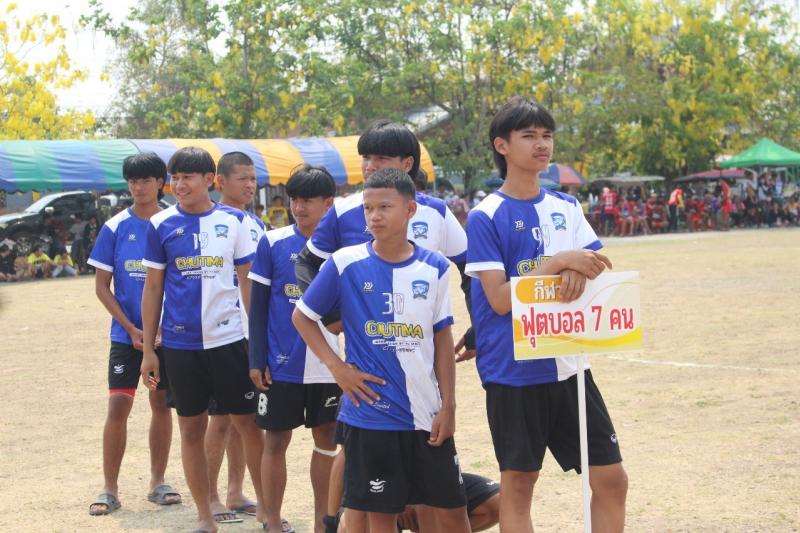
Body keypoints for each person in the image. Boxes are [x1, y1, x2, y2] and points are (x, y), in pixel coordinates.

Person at [293, 120, 473, 533]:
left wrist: (449, 405)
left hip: (426, 410)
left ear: (410, 209)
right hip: (370, 412)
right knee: (374, 514)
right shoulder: (346, 259)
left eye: (384, 208)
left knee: (449, 511)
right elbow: (303, 309)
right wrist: (338, 366)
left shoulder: (434, 263)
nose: (374, 216)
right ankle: (328, 523)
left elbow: (443, 336)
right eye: (368, 209)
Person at [466, 96, 626, 532]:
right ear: (502, 145)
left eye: (547, 135)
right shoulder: (485, 215)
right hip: (514, 371)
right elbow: (499, 299)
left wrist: (577, 267)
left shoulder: (567, 208)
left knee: (611, 479)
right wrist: (558, 262)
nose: (542, 144)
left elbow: (596, 264)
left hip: (570, 364)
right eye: (529, 136)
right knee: (519, 487)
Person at [139, 146, 265, 532]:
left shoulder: (236, 221)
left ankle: (268, 510)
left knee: (248, 425)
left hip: (230, 342)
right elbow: (153, 288)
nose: (179, 185)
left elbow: (247, 283)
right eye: (174, 178)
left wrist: (259, 342)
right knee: (191, 429)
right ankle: (204, 516)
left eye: (187, 177)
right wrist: (149, 351)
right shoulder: (160, 224)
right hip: (181, 347)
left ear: (209, 180)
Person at [86, 152, 180, 516]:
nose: (137, 187)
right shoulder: (115, 228)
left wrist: (160, 329)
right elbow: (101, 287)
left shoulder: (175, 223)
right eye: (132, 181)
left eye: (145, 180)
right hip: (127, 337)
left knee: (161, 404)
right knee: (118, 406)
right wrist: (131, 328)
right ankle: (109, 488)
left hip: (167, 338)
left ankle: (158, 482)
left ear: (160, 183)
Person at [249, 165, 340, 533]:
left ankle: (322, 522)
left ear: (328, 203)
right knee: (275, 440)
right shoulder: (272, 242)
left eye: (307, 200)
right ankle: (272, 521)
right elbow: (257, 307)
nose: (298, 207)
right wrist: (257, 358)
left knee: (328, 441)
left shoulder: (346, 249)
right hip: (281, 364)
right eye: (294, 200)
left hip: (331, 366)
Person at [203, 151, 267, 524]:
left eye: (253, 178)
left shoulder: (255, 222)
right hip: (220, 334)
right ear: (220, 181)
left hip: (249, 332)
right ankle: (210, 497)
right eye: (242, 178)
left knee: (246, 416)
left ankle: (235, 491)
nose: (250, 185)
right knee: (221, 418)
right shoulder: (211, 220)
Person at [337, 471, 500, 532]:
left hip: (429, 475)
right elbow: (348, 459)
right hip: (382, 487)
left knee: (500, 502)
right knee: (349, 524)